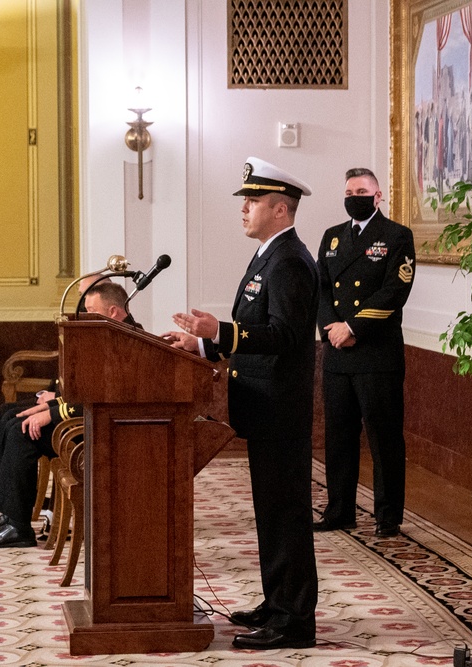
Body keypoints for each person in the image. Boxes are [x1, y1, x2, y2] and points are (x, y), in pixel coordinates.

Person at [163, 157, 319, 650]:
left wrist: (220, 331)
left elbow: (288, 337)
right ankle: (278, 604)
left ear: (280, 209)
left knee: (286, 514)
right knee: (271, 512)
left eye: (253, 201)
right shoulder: (268, 255)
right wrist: (204, 346)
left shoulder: (291, 260)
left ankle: (294, 622)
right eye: (245, 201)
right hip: (262, 404)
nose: (244, 208)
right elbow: (256, 332)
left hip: (280, 407)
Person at [0, 281, 139, 548]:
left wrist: (53, 413)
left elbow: (104, 396)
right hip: (83, 415)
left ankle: (17, 526)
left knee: (19, 430)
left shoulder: (128, 341)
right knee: (7, 414)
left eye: (90, 310)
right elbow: (86, 384)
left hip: (94, 426)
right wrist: (54, 401)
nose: (85, 316)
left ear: (112, 311)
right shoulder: (110, 332)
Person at [313, 167, 415, 538]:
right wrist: (332, 329)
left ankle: (388, 516)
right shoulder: (332, 238)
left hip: (376, 353)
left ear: (378, 196)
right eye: (349, 190)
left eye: (361, 190)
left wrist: (353, 327)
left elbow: (393, 292)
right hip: (337, 354)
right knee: (338, 435)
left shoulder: (396, 236)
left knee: (384, 437)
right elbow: (322, 289)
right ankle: (339, 510)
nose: (354, 195)